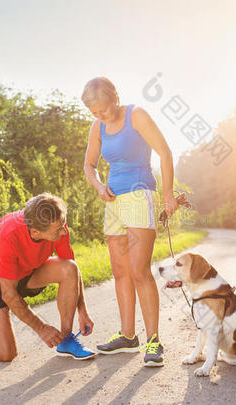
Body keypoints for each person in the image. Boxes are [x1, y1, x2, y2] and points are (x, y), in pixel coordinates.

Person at [82, 77, 178, 367]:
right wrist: (99, 187)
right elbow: (89, 164)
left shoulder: (136, 115)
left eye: (103, 110)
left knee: (139, 270)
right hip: (112, 202)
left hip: (139, 194)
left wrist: (168, 193)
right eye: (94, 112)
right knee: (120, 270)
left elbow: (164, 151)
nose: (100, 116)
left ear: (114, 98)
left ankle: (153, 340)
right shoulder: (97, 126)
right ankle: (127, 335)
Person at [0, 193, 95, 361]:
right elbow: (8, 294)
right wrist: (42, 328)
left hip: (29, 272)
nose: (63, 232)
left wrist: (82, 311)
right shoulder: (8, 236)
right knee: (5, 354)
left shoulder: (58, 224)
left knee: (69, 268)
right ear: (36, 232)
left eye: (63, 225)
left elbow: (74, 273)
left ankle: (66, 341)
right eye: (58, 230)